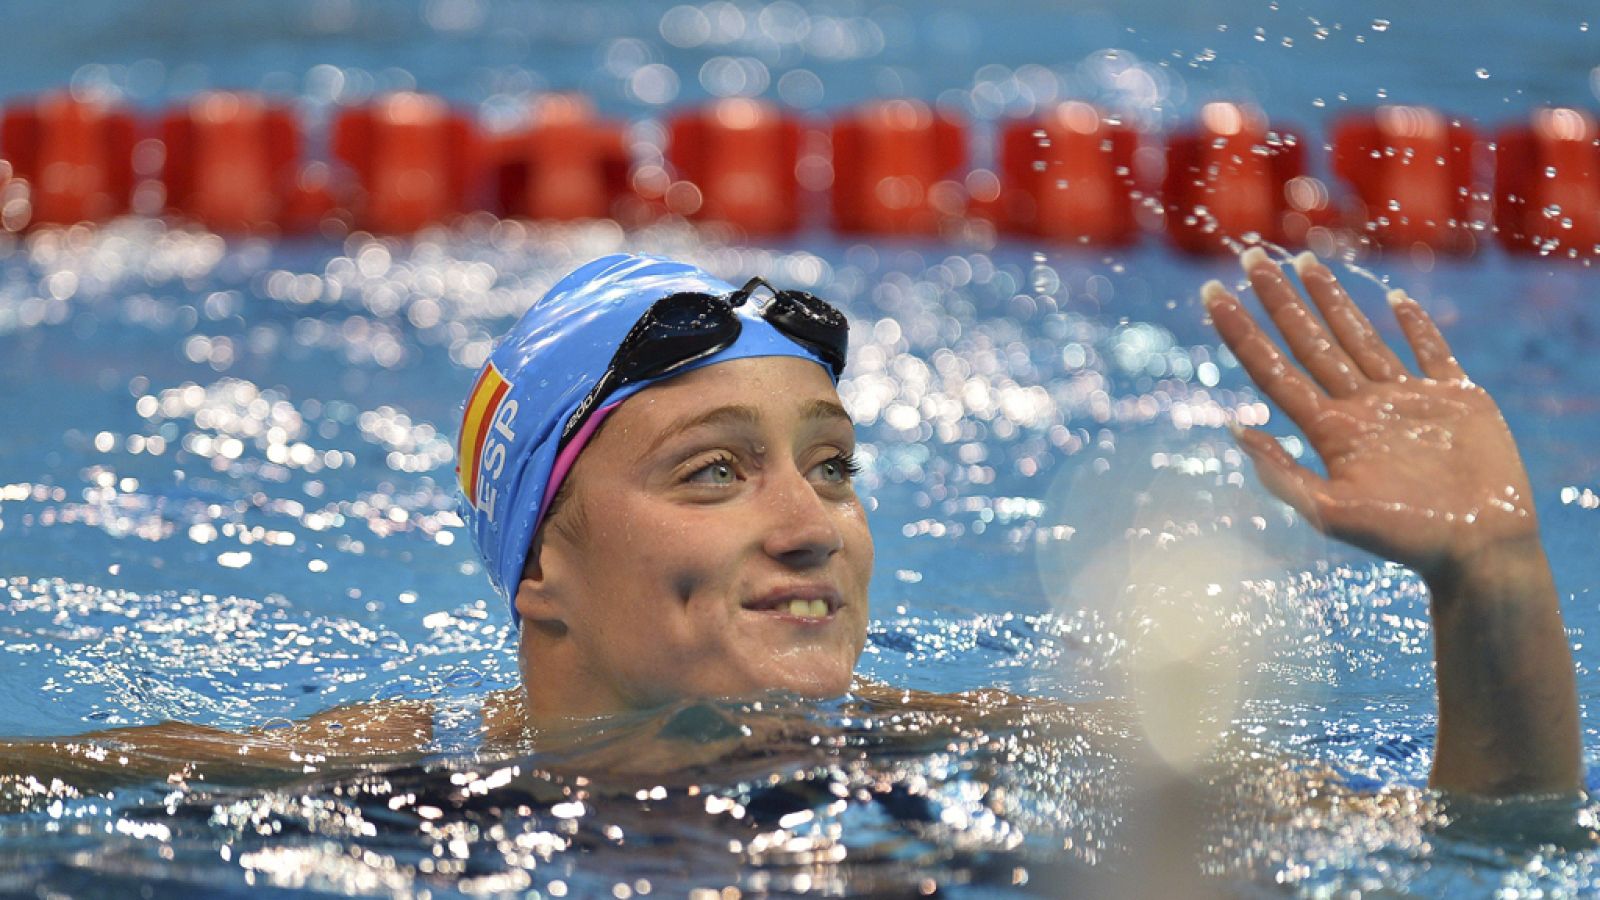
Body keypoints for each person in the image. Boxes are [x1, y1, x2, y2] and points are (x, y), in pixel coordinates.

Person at [1, 248, 1581, 799]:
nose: (810, 524)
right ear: (537, 562)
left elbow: (1475, 849)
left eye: (832, 465)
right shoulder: (367, 788)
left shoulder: (981, 761)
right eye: (712, 472)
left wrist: (1494, 582)